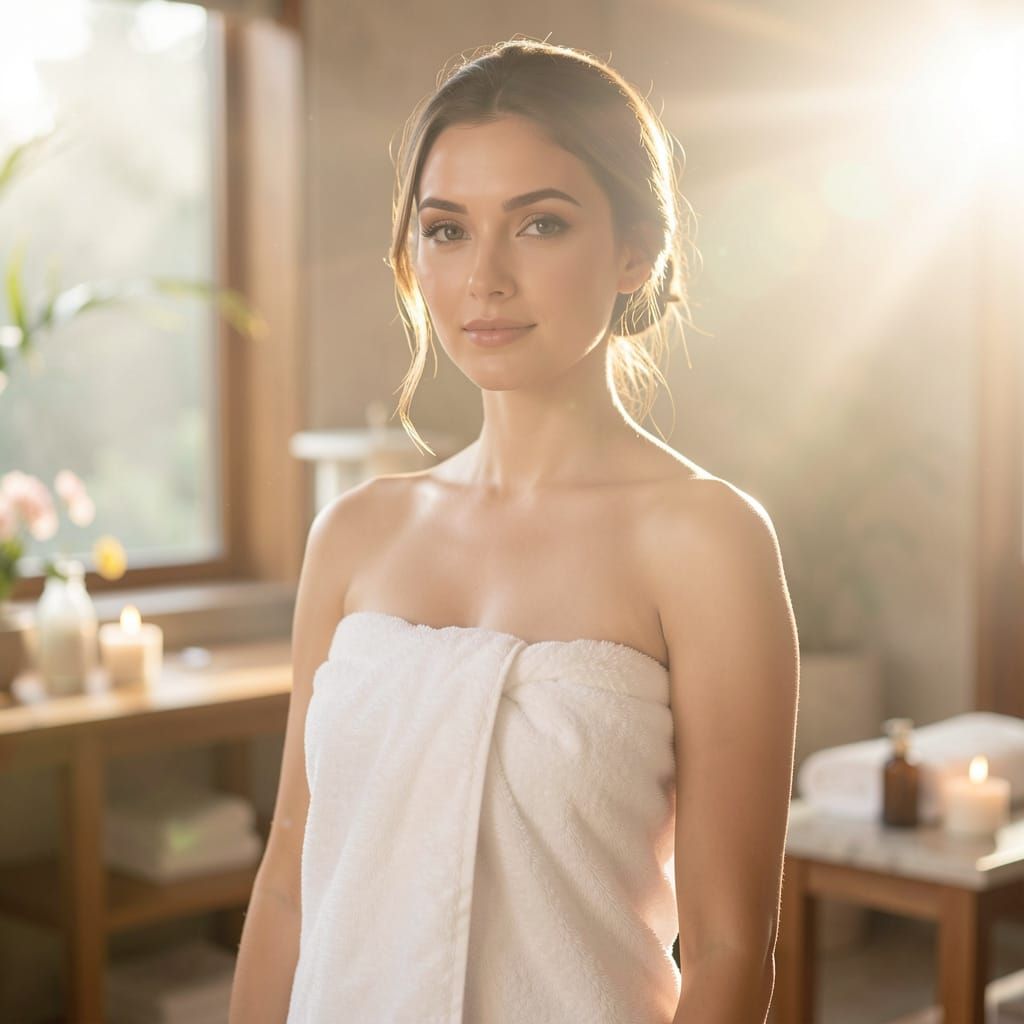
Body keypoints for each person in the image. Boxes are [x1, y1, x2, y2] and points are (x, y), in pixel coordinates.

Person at [230, 37, 800, 1024]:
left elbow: (727, 946)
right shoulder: (356, 534)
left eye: (539, 223)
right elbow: (288, 875)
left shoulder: (705, 541)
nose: (483, 276)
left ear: (635, 251)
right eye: (447, 230)